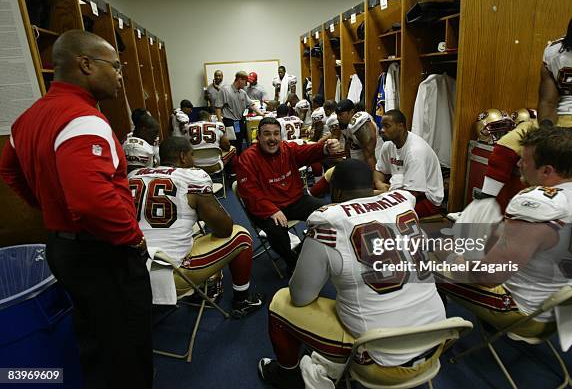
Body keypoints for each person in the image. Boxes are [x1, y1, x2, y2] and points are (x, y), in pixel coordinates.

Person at [0, 30, 152, 388]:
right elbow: (91, 200)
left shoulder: (28, 118)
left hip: (64, 248)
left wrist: (47, 205)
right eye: (115, 66)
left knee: (95, 339)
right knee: (128, 348)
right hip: (103, 253)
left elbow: (8, 168)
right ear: (85, 64)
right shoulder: (83, 119)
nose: (119, 75)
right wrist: (132, 238)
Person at [258, 159, 446, 389]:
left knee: (281, 302)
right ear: (372, 187)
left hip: (379, 360)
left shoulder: (329, 223)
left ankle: (287, 374)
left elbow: (301, 297)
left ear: (335, 191)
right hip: (436, 341)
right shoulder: (404, 204)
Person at [437, 127, 572, 337]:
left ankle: (433, 338)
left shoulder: (536, 202)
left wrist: (453, 259)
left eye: (524, 161)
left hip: (526, 312)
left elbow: (487, 277)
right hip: (569, 306)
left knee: (427, 257)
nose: (518, 165)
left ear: (547, 170)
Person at [471, 0, 572, 212]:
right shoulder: (556, 52)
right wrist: (548, 130)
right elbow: (548, 100)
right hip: (557, 117)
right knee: (507, 144)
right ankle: (483, 208)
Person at [128, 137, 264, 317]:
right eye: (192, 155)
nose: (194, 160)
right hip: (171, 272)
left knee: (193, 233)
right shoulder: (192, 177)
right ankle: (242, 300)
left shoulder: (133, 176)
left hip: (131, 267)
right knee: (241, 236)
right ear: (183, 156)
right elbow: (224, 229)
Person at [235, 117, 341, 271]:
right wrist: (272, 210)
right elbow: (250, 193)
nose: (272, 139)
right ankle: (293, 262)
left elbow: (306, 151)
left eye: (276, 134)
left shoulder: (287, 148)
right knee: (276, 232)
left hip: (294, 200)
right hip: (267, 208)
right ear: (258, 137)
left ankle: (301, 250)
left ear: (280, 136)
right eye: (267, 134)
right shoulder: (247, 158)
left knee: (328, 215)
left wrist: (325, 148)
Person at [374, 109, 444, 217]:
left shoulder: (415, 151)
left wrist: (384, 196)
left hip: (427, 198)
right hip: (401, 190)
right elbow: (379, 171)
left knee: (388, 214)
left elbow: (412, 193)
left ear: (400, 127)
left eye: (387, 126)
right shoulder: (388, 145)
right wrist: (380, 184)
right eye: (381, 126)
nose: (382, 130)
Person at [215, 71, 263, 154]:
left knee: (239, 143)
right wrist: (220, 121)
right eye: (245, 82)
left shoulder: (242, 92)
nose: (246, 84)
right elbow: (218, 107)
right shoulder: (225, 90)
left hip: (239, 122)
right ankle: (232, 163)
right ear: (240, 79)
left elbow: (251, 104)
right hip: (229, 122)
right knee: (231, 145)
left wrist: (260, 113)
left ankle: (239, 162)